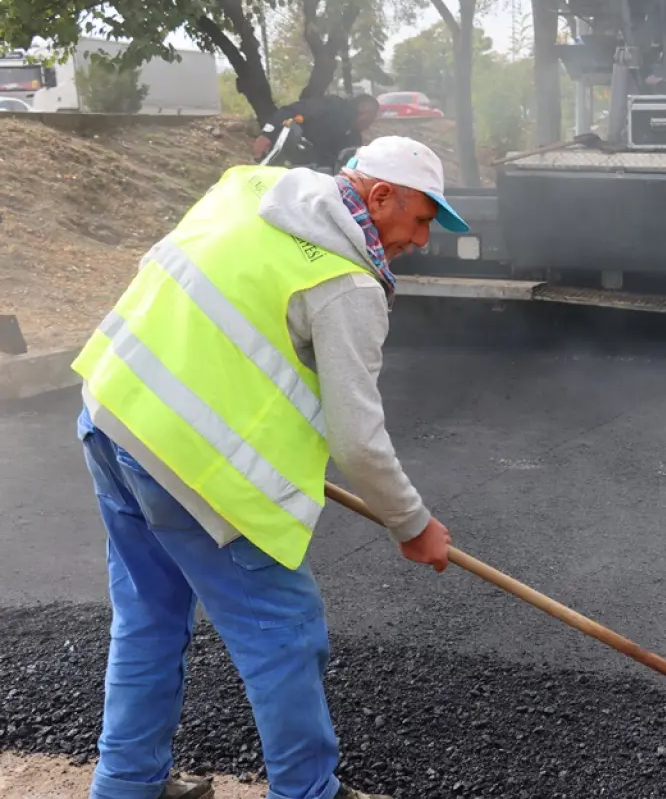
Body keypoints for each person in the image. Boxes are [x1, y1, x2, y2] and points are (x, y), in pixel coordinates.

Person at [70, 136, 471, 799]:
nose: (423, 239)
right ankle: (308, 791)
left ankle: (126, 786)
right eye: (422, 219)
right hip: (193, 469)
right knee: (283, 637)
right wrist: (413, 524)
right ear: (378, 197)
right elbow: (359, 440)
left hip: (112, 411)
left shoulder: (251, 187)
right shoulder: (344, 282)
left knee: (148, 617)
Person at [253, 94, 382, 170]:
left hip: (314, 177)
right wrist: (267, 134)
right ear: (363, 111)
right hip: (285, 160)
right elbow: (289, 111)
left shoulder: (354, 138)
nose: (368, 126)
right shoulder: (330, 106)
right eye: (369, 120)